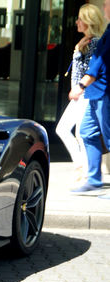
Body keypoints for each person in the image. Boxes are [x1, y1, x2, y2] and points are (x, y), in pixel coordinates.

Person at [56, 4, 105, 183]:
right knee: (68, 130)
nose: (76, 22)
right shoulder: (86, 42)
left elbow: (90, 72)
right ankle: (82, 168)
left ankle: (85, 170)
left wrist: (79, 88)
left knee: (79, 132)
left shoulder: (94, 43)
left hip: (86, 94)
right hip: (81, 94)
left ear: (88, 21)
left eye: (80, 19)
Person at [69, 0, 110, 197]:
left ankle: (93, 180)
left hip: (104, 93)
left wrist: (81, 85)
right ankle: (94, 180)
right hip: (96, 95)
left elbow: (98, 65)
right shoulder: (107, 33)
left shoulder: (105, 36)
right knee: (87, 132)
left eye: (107, 5)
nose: (104, 8)